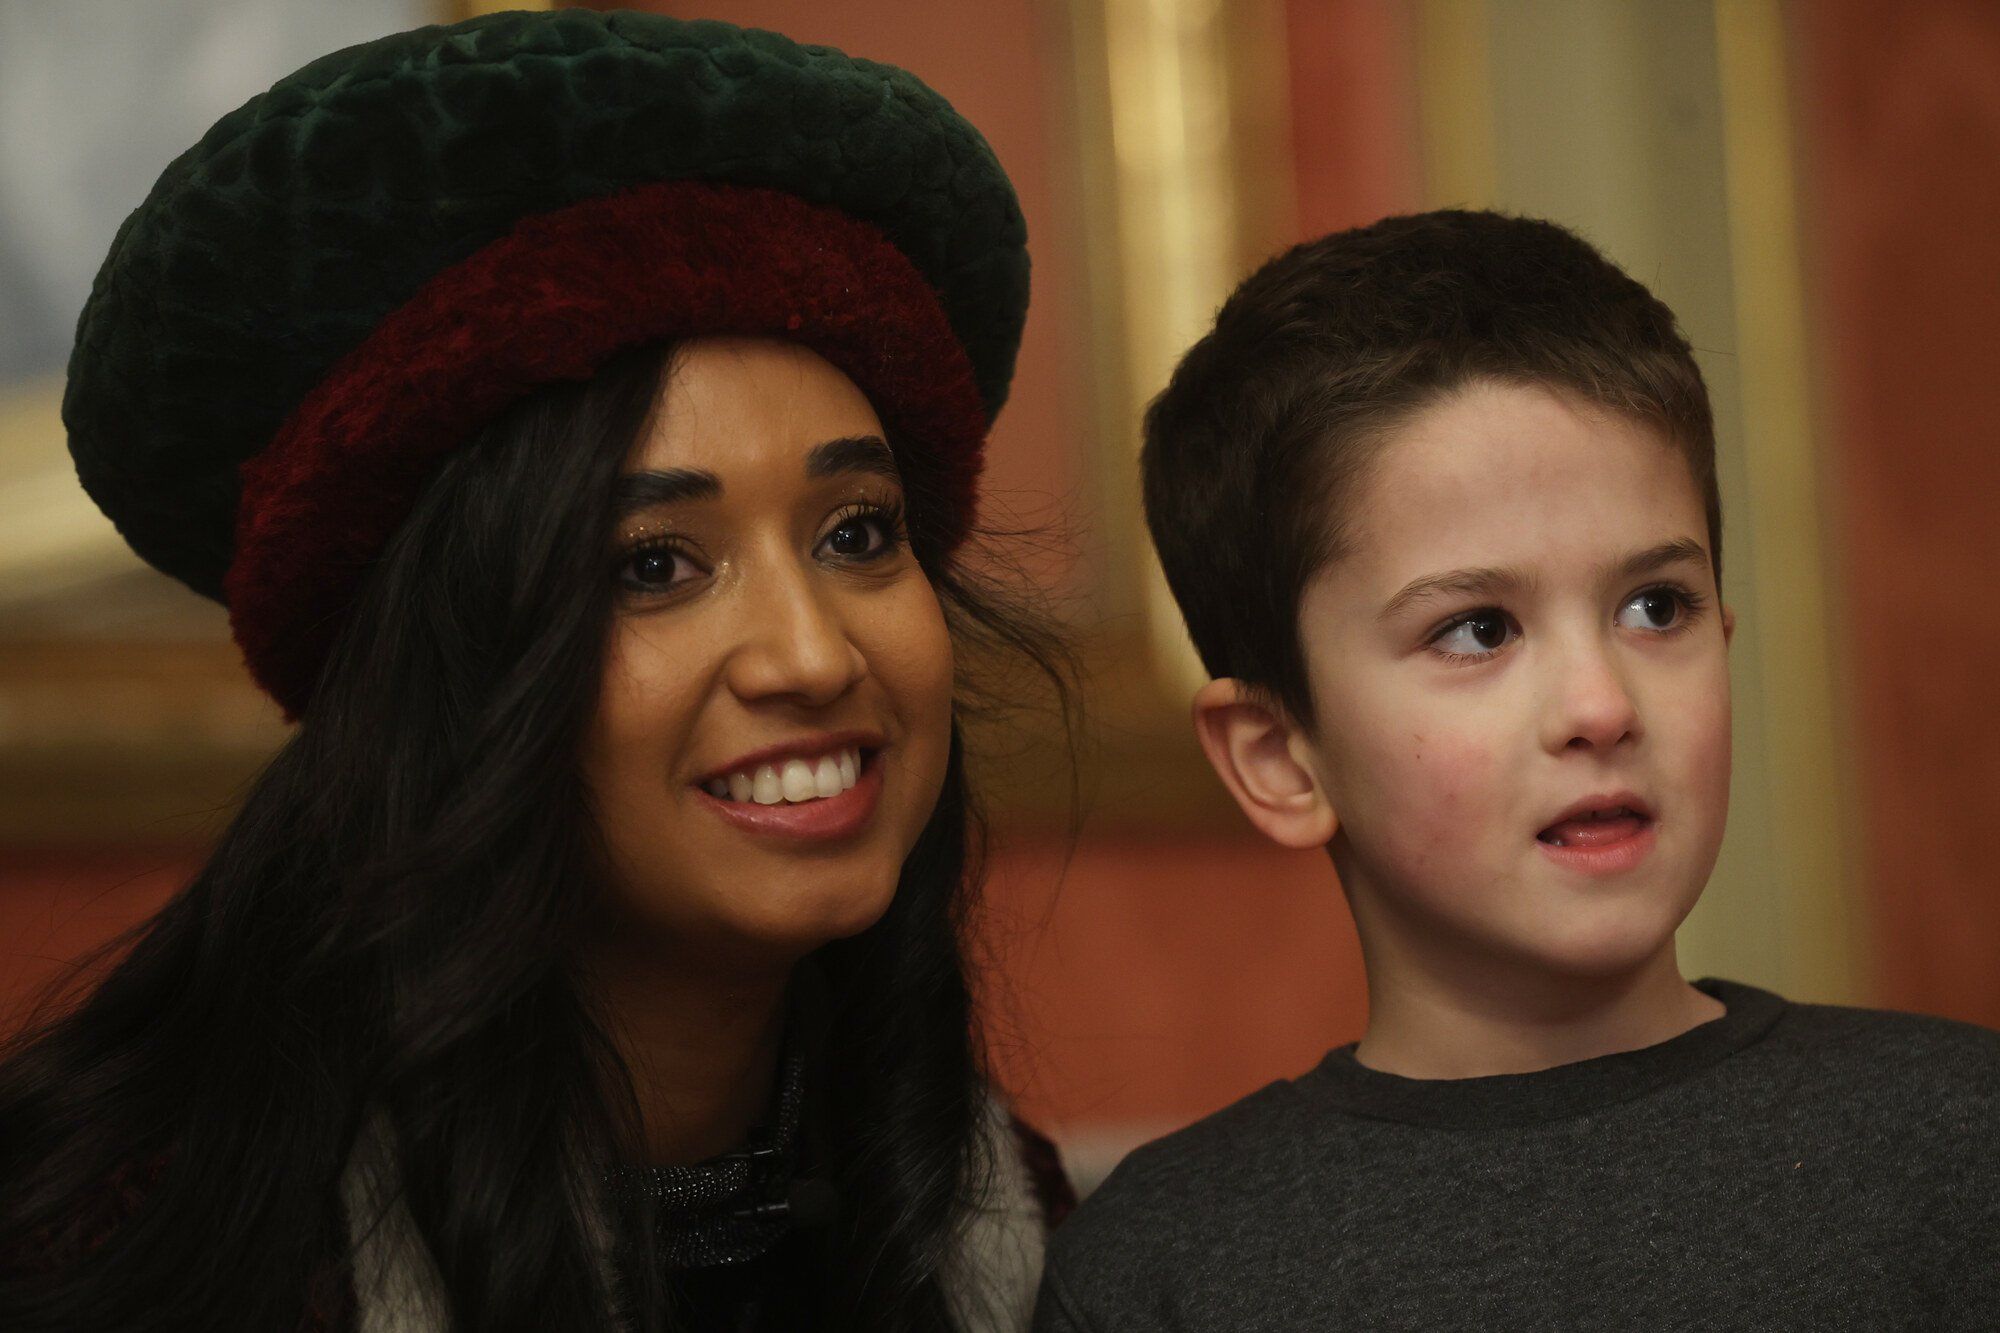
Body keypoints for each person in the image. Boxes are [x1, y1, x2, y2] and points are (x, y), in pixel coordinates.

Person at [0, 10, 1075, 1331]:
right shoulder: (130, 1251)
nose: (811, 654)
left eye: (857, 535)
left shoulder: (996, 1216)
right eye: (652, 566)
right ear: (444, 677)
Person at [1033, 210, 2000, 1329]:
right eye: (1478, 630)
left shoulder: (1953, 1143)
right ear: (1279, 758)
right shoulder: (1160, 1271)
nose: (1599, 705)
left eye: (1654, 607)